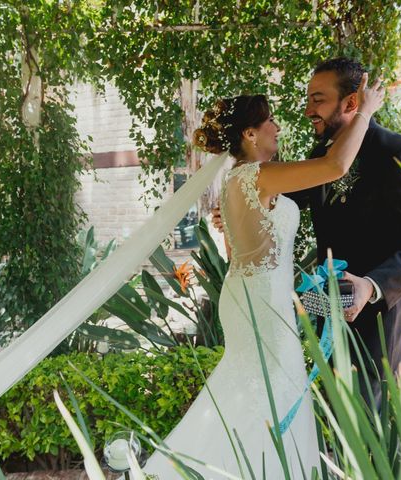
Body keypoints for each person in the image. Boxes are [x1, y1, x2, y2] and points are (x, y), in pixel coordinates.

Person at [144, 74, 385, 479]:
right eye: (270, 120)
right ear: (251, 134)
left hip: (252, 296)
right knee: (272, 394)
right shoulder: (257, 175)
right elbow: (335, 165)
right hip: (262, 304)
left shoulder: (235, 181)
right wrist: (366, 111)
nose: (277, 126)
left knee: (253, 390)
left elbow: (246, 255)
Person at [212, 57, 401, 408]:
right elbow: (277, 200)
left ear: (351, 102)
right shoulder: (320, 155)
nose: (308, 111)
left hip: (375, 326)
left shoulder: (398, 153)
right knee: (329, 422)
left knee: (368, 435)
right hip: (325, 314)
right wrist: (237, 211)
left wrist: (372, 285)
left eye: (317, 100)